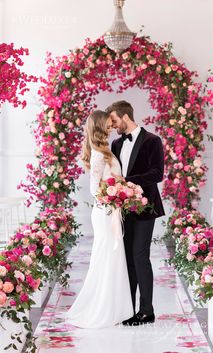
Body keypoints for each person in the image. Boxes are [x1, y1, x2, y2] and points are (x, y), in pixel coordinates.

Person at [65, 110, 133, 328]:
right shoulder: (97, 154)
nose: (112, 126)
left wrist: (121, 185)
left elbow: (110, 180)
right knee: (107, 257)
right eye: (108, 123)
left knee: (114, 257)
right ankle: (103, 309)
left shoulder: (105, 150)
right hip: (105, 212)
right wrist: (116, 193)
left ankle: (117, 308)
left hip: (111, 210)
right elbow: (95, 189)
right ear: (99, 127)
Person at [106, 100, 165, 326]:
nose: (113, 125)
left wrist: (128, 181)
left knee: (141, 257)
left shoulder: (153, 141)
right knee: (128, 259)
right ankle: (128, 308)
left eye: (114, 120)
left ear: (125, 117)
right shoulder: (116, 144)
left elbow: (157, 173)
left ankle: (147, 311)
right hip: (123, 209)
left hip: (146, 207)